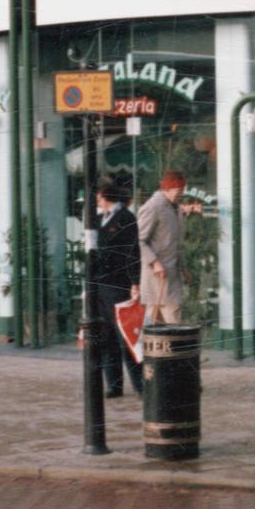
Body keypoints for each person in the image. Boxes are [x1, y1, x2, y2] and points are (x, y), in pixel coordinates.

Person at [93, 176, 141, 398]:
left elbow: (132, 252)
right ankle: (114, 384)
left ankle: (140, 384)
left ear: (102, 196)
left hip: (118, 283)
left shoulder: (126, 218)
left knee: (125, 335)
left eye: (97, 196)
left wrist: (135, 282)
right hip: (100, 285)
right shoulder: (96, 219)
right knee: (106, 336)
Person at [132, 170, 188, 324]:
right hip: (157, 275)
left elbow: (176, 243)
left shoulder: (174, 207)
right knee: (162, 320)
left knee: (167, 318)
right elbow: (138, 240)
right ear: (167, 189)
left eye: (182, 190)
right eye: (179, 190)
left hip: (171, 273)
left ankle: (168, 347)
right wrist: (155, 262)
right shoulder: (153, 207)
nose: (181, 194)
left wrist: (183, 268)